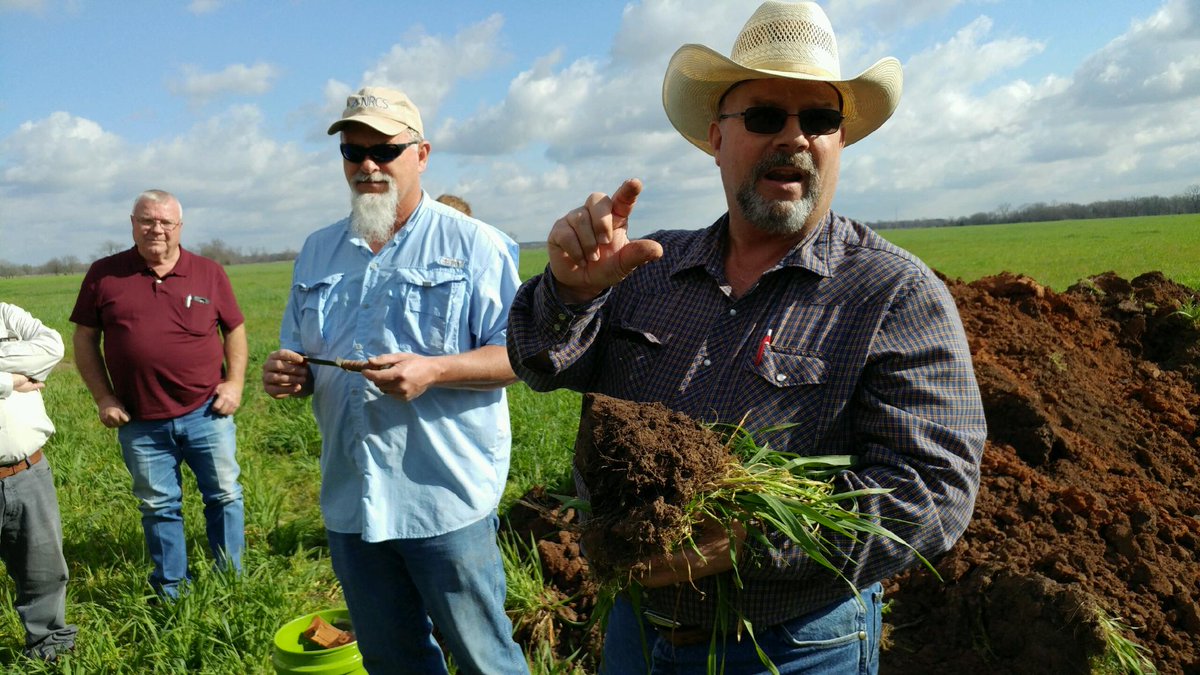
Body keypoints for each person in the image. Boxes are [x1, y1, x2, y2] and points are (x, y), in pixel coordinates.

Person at [506, 2, 987, 674]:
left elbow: (934, 491)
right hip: (638, 631)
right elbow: (536, 360)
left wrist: (751, 538)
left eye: (818, 119)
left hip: (795, 646)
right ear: (715, 137)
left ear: (839, 141)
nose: (793, 136)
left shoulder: (894, 295)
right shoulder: (649, 268)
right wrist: (571, 292)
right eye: (765, 116)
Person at [261, 86, 527, 675]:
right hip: (352, 501)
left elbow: (521, 357)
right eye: (353, 153)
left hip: (444, 500)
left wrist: (435, 369)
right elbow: (300, 353)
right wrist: (289, 373)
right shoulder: (317, 251)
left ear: (422, 154)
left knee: (486, 659)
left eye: (385, 149)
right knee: (391, 659)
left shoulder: (475, 245)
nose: (368, 166)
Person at [70, 189, 247, 600]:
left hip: (207, 410)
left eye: (166, 222)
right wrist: (104, 397)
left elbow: (234, 329)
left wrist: (235, 383)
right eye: (147, 220)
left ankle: (231, 580)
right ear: (132, 223)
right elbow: (84, 339)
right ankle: (171, 589)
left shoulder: (208, 272)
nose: (157, 229)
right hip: (139, 419)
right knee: (158, 506)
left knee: (224, 495)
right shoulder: (104, 274)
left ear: (179, 227)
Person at [0, 303, 78, 662]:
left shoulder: (6, 314)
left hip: (28, 471)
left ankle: (50, 649)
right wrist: (10, 379)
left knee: (45, 570)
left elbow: (53, 347)